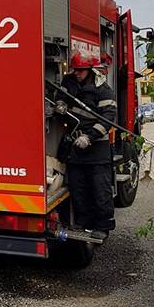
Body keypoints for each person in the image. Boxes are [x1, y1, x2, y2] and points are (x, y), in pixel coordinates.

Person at [55, 51, 118, 240]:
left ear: (90, 70)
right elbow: (61, 95)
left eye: (81, 70)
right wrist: (60, 104)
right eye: (75, 69)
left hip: (97, 149)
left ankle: (103, 227)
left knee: (100, 190)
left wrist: (89, 137)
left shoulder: (103, 90)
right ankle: (83, 224)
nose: (76, 73)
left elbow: (108, 118)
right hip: (75, 149)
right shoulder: (69, 82)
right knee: (78, 189)